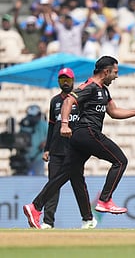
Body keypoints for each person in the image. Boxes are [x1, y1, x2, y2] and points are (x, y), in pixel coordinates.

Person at [23, 56, 135, 229]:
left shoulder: (104, 90)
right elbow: (68, 100)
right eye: (115, 72)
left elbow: (114, 112)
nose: (116, 76)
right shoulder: (89, 86)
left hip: (81, 138)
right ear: (106, 72)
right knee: (120, 161)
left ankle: (35, 207)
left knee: (63, 174)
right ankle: (105, 200)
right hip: (87, 132)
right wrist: (65, 124)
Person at [40, 68, 97, 229]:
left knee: (78, 184)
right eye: (62, 80)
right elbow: (52, 126)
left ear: (73, 81)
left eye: (68, 79)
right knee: (52, 186)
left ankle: (88, 219)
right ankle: (48, 222)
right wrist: (47, 148)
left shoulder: (81, 100)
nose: (65, 82)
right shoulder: (55, 101)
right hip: (57, 151)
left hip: (75, 151)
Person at [18, 104, 48, 176]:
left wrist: (45, 143)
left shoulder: (44, 125)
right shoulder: (24, 125)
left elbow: (51, 136)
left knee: (38, 176)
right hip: (25, 157)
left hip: (38, 157)